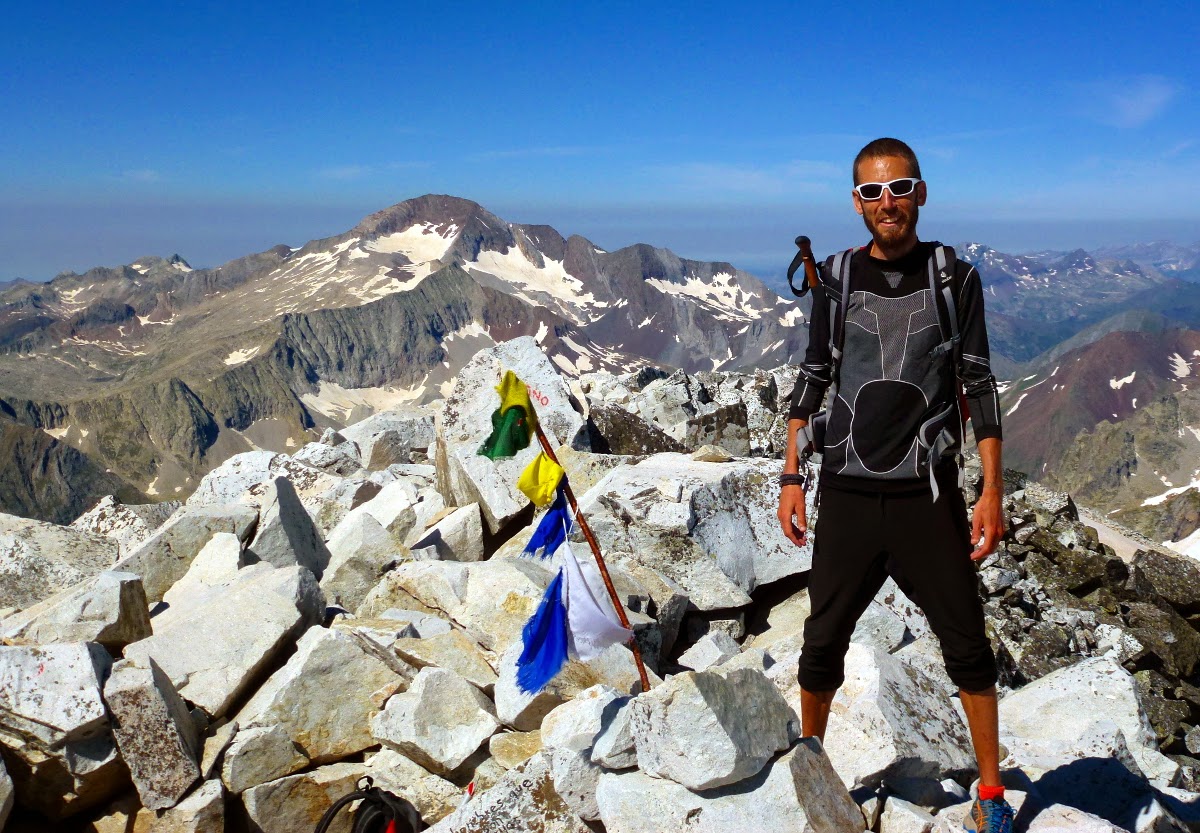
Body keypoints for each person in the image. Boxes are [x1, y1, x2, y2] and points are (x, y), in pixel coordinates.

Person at [777, 138, 1012, 833]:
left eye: (900, 187)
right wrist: (791, 474)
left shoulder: (955, 278)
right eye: (874, 191)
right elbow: (813, 375)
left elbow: (978, 383)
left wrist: (991, 491)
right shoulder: (834, 278)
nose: (888, 202)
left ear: (921, 193)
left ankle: (991, 796)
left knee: (967, 644)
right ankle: (813, 777)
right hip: (846, 491)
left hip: (928, 498)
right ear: (857, 202)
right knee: (822, 641)